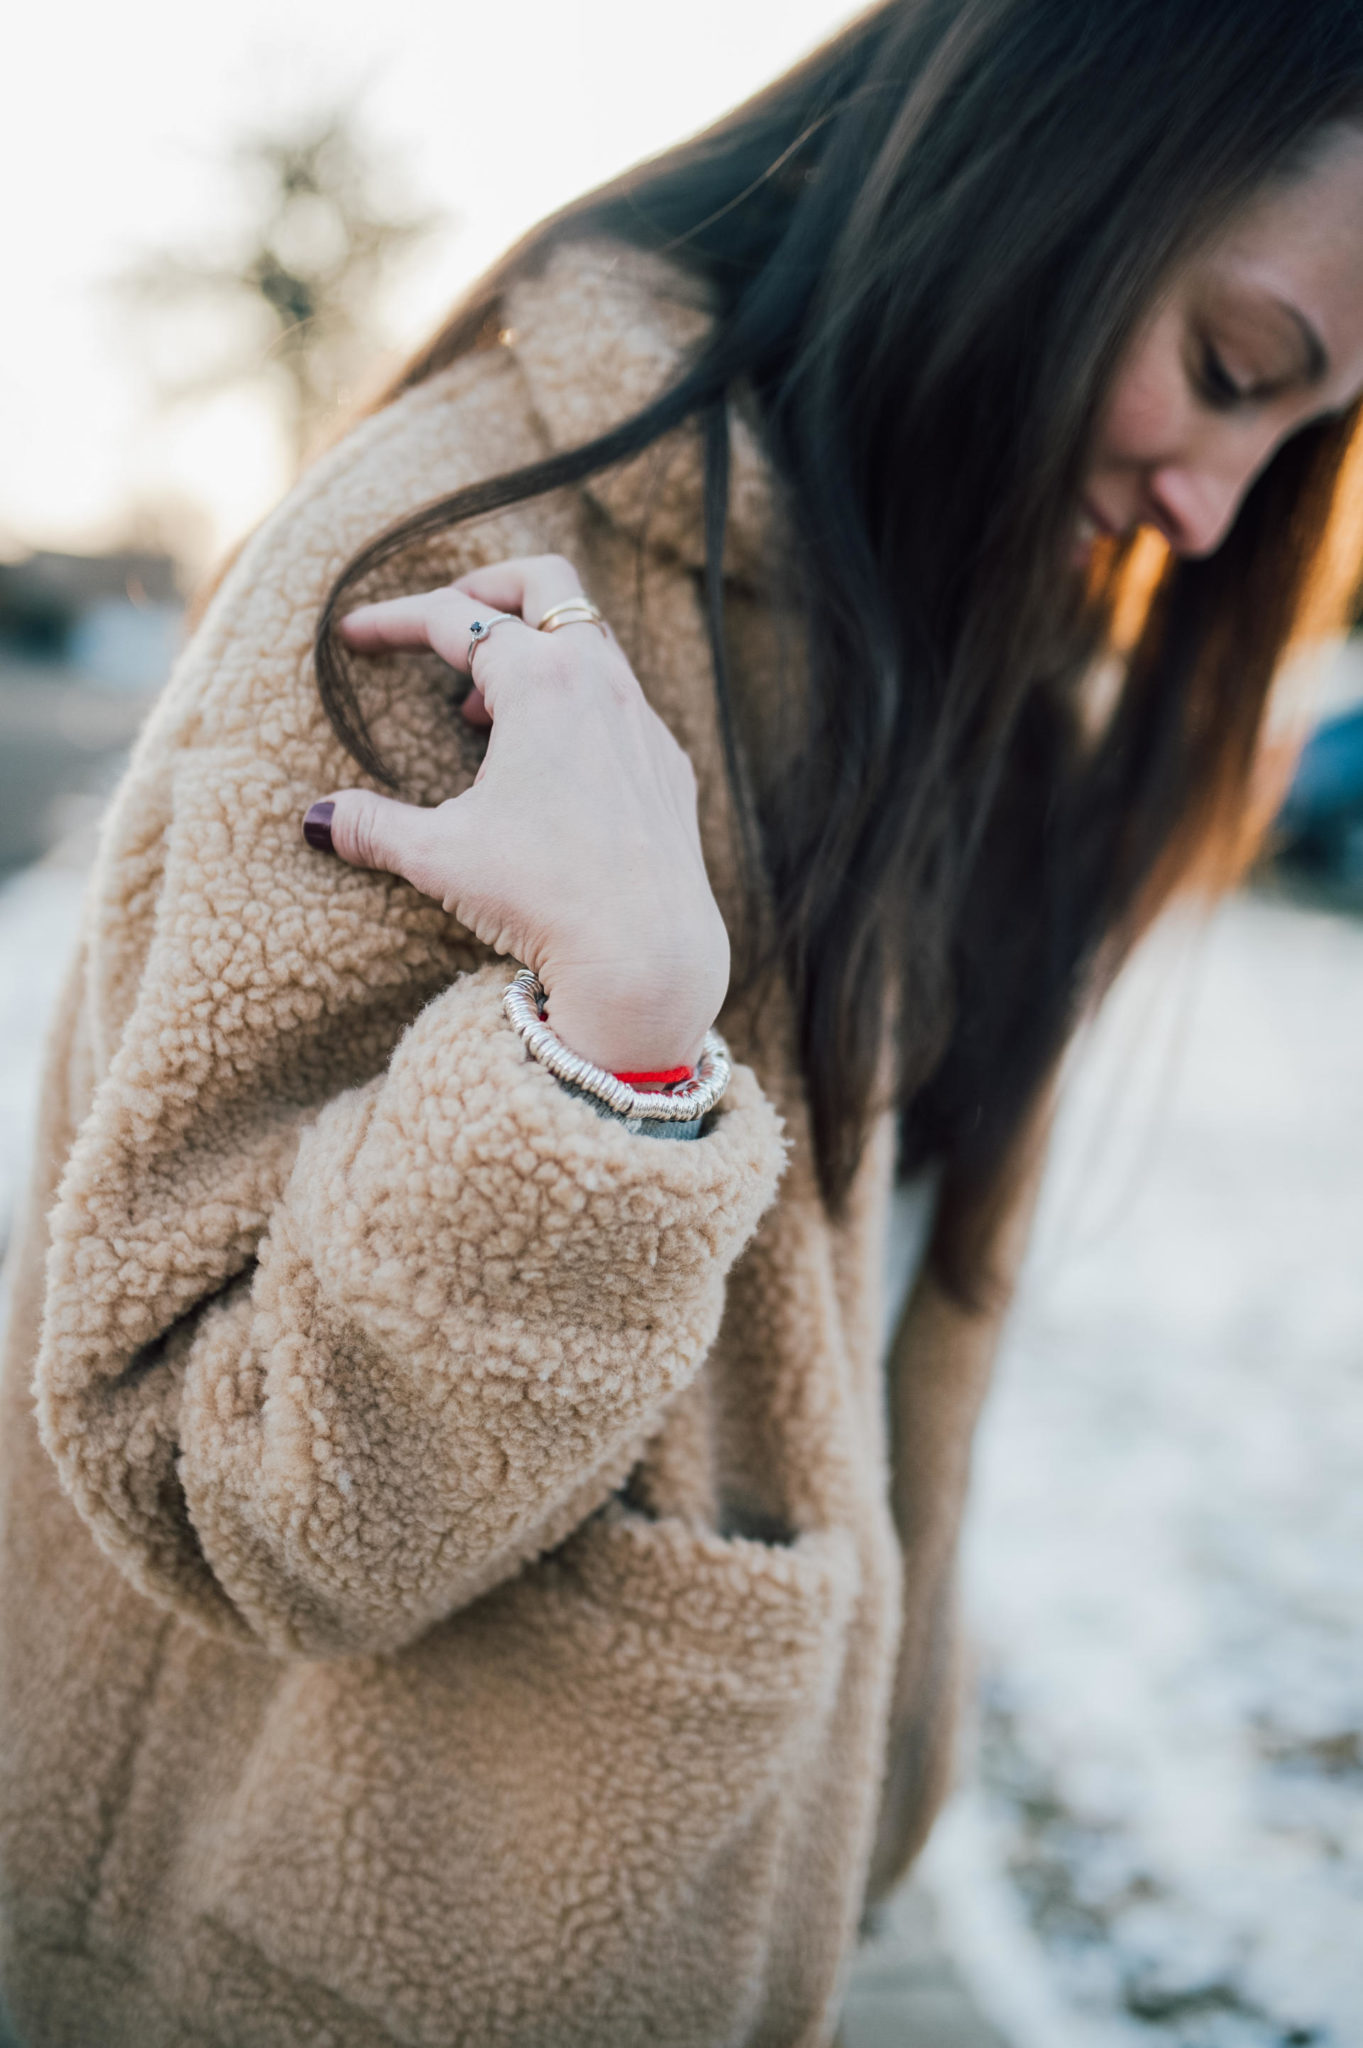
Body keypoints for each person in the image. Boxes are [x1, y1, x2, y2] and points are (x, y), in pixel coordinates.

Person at [5, 0, 1363, 2040]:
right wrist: (610, 1055)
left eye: (1304, 433)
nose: (1213, 504)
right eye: (1232, 370)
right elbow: (228, 1477)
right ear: (1047, 166)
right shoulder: (472, 577)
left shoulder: (952, 665)